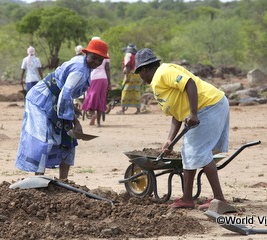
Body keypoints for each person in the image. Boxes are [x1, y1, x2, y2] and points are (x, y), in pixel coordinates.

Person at [134, 48, 231, 210]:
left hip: (207, 106)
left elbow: (189, 83)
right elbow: (177, 114)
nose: (141, 78)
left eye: (139, 73)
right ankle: (187, 198)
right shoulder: (159, 83)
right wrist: (169, 140)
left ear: (144, 69)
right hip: (210, 105)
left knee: (199, 151)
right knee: (189, 152)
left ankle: (220, 199)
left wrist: (193, 113)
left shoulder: (163, 72)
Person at [15, 39, 109, 179]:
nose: (96, 62)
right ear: (86, 54)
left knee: (68, 139)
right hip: (41, 100)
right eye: (94, 58)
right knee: (44, 139)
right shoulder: (80, 71)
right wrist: (75, 122)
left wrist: (72, 115)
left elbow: (65, 94)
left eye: (100, 60)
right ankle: (38, 179)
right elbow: (65, 94)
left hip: (56, 100)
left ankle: (63, 180)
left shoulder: (84, 65)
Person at [81, 37, 111, 127]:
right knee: (101, 99)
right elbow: (107, 69)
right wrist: (109, 82)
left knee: (91, 97)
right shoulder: (105, 55)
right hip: (103, 78)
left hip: (93, 77)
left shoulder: (90, 55)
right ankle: (98, 122)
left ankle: (92, 114)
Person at [117, 43, 141, 114]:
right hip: (136, 75)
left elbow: (127, 66)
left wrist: (127, 77)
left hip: (130, 75)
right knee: (136, 92)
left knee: (125, 91)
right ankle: (138, 110)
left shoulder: (128, 55)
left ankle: (123, 110)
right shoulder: (135, 56)